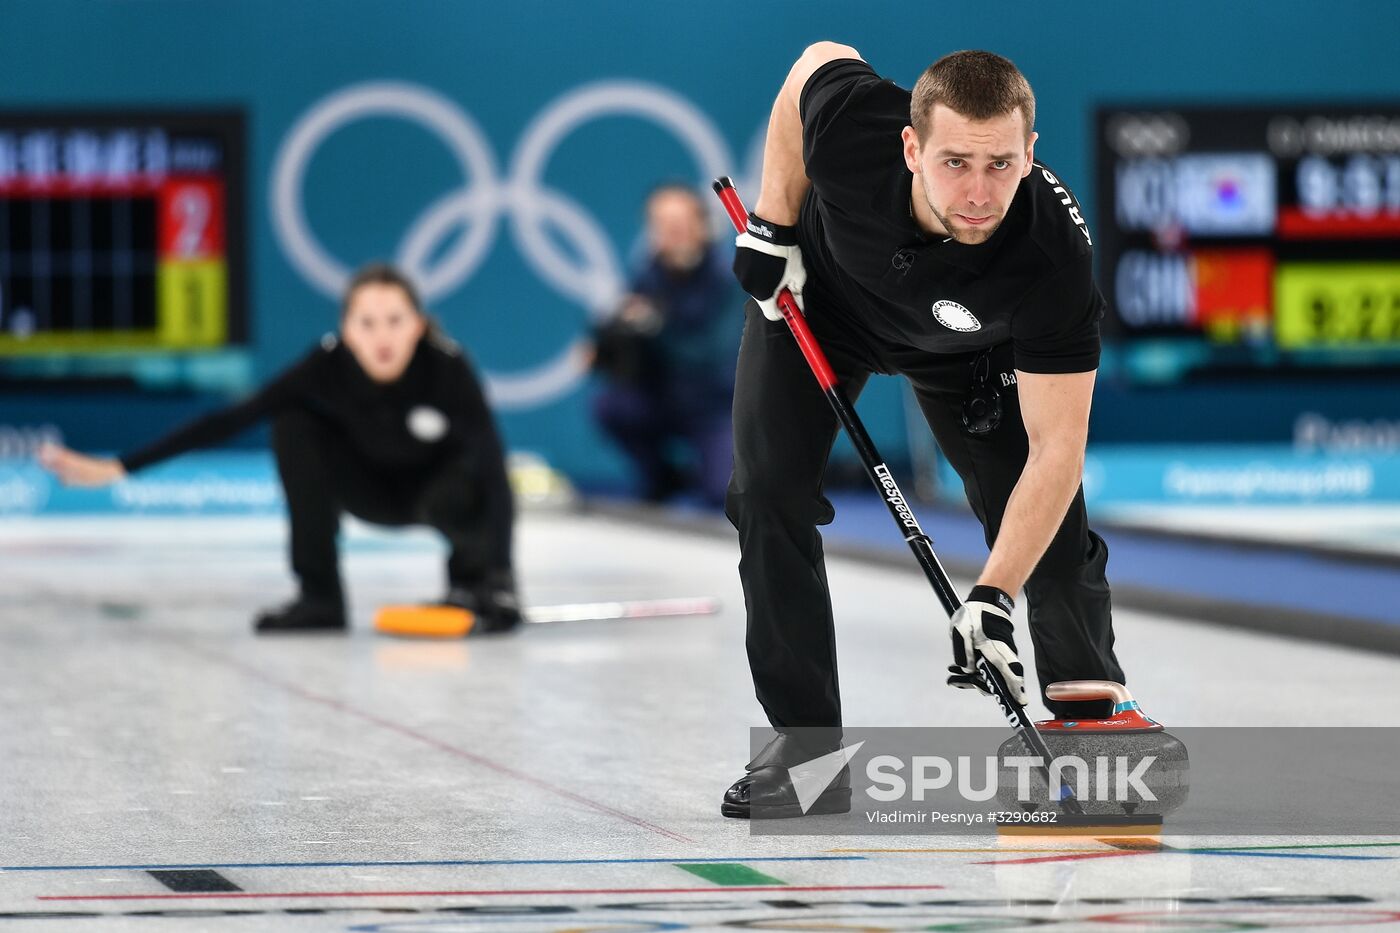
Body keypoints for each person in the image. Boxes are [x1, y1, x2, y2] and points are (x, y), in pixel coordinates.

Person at [721, 43, 1123, 817]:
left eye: (1001, 165)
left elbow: (1058, 449)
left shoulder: (1052, 257)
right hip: (817, 306)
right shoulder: (855, 129)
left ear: (1031, 153)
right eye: (954, 162)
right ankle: (805, 756)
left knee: (1046, 526)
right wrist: (772, 223)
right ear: (911, 147)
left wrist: (993, 596)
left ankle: (1091, 727)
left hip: (968, 354)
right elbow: (811, 64)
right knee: (766, 493)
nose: (977, 191)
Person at [39, 262, 520, 635]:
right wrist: (121, 467)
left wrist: (501, 574)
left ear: (417, 325)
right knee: (291, 422)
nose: (382, 337)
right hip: (369, 492)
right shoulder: (326, 364)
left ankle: (473, 582)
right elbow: (229, 420)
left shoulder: (448, 367)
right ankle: (320, 597)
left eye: (395, 321)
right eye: (367, 323)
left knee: (470, 470)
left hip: (437, 496)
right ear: (347, 330)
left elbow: (495, 469)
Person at [591, 183, 743, 507]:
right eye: (663, 225)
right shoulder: (647, 275)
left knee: (721, 494)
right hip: (662, 400)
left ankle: (705, 473)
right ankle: (663, 478)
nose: (673, 234)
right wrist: (603, 347)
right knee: (611, 407)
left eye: (681, 225)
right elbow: (622, 333)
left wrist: (655, 327)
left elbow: (710, 351)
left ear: (702, 226)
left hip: (714, 408)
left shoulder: (727, 279)